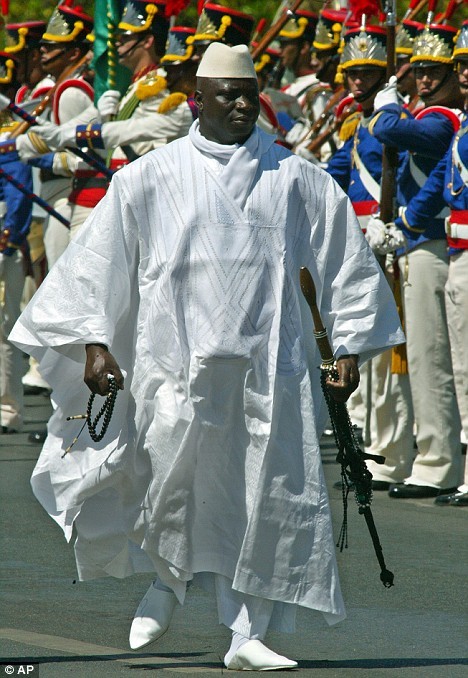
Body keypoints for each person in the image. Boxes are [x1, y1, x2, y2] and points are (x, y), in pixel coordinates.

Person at [11, 43, 404, 671]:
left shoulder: (295, 177)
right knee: (172, 489)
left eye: (251, 93)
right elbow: (99, 262)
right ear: (200, 99)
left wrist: (351, 343)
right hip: (173, 368)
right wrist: (93, 340)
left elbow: (342, 261)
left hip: (267, 374)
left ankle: (246, 633)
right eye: (231, 94)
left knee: (264, 498)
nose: (245, 104)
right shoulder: (149, 176)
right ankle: (166, 585)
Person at [374, 21, 468, 507]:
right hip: (419, 246)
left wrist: (387, 102)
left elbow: (387, 128)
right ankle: (431, 455)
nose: (426, 80)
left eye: (437, 71)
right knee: (420, 364)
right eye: (421, 71)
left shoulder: (445, 119)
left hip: (433, 247)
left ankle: (439, 461)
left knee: (435, 365)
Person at [326, 21, 415, 491]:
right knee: (367, 355)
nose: (358, 81)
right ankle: (377, 446)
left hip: (390, 240)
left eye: (368, 73)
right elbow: (330, 175)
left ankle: (396, 452)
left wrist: (397, 219)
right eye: (352, 73)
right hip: (362, 239)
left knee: (388, 355)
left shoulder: (395, 119)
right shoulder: (359, 126)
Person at [0, 52, 33, 433]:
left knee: (4, 325)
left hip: (1, 231)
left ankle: (8, 409)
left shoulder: (10, 134)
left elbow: (19, 190)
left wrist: (10, 234)